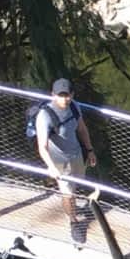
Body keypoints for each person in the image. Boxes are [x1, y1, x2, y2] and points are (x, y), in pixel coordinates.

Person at [34, 78, 97, 243]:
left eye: (67, 95)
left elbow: (82, 129)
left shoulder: (74, 106)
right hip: (59, 161)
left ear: (72, 94)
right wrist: (51, 167)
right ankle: (73, 222)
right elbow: (42, 146)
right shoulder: (45, 116)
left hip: (76, 155)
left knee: (76, 185)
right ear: (53, 95)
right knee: (68, 193)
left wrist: (90, 150)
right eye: (60, 96)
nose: (64, 99)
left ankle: (74, 205)